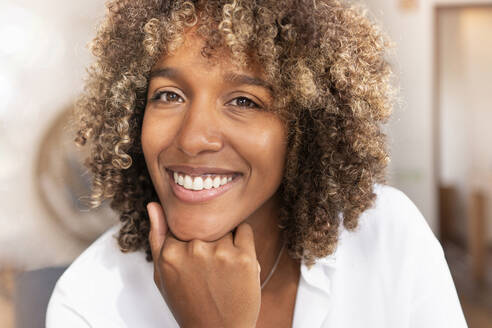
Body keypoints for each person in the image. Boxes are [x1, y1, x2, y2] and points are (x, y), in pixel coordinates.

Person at [46, 0, 467, 327]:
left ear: (304, 125)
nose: (193, 139)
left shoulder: (389, 239)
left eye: (244, 101)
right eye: (168, 95)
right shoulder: (90, 303)